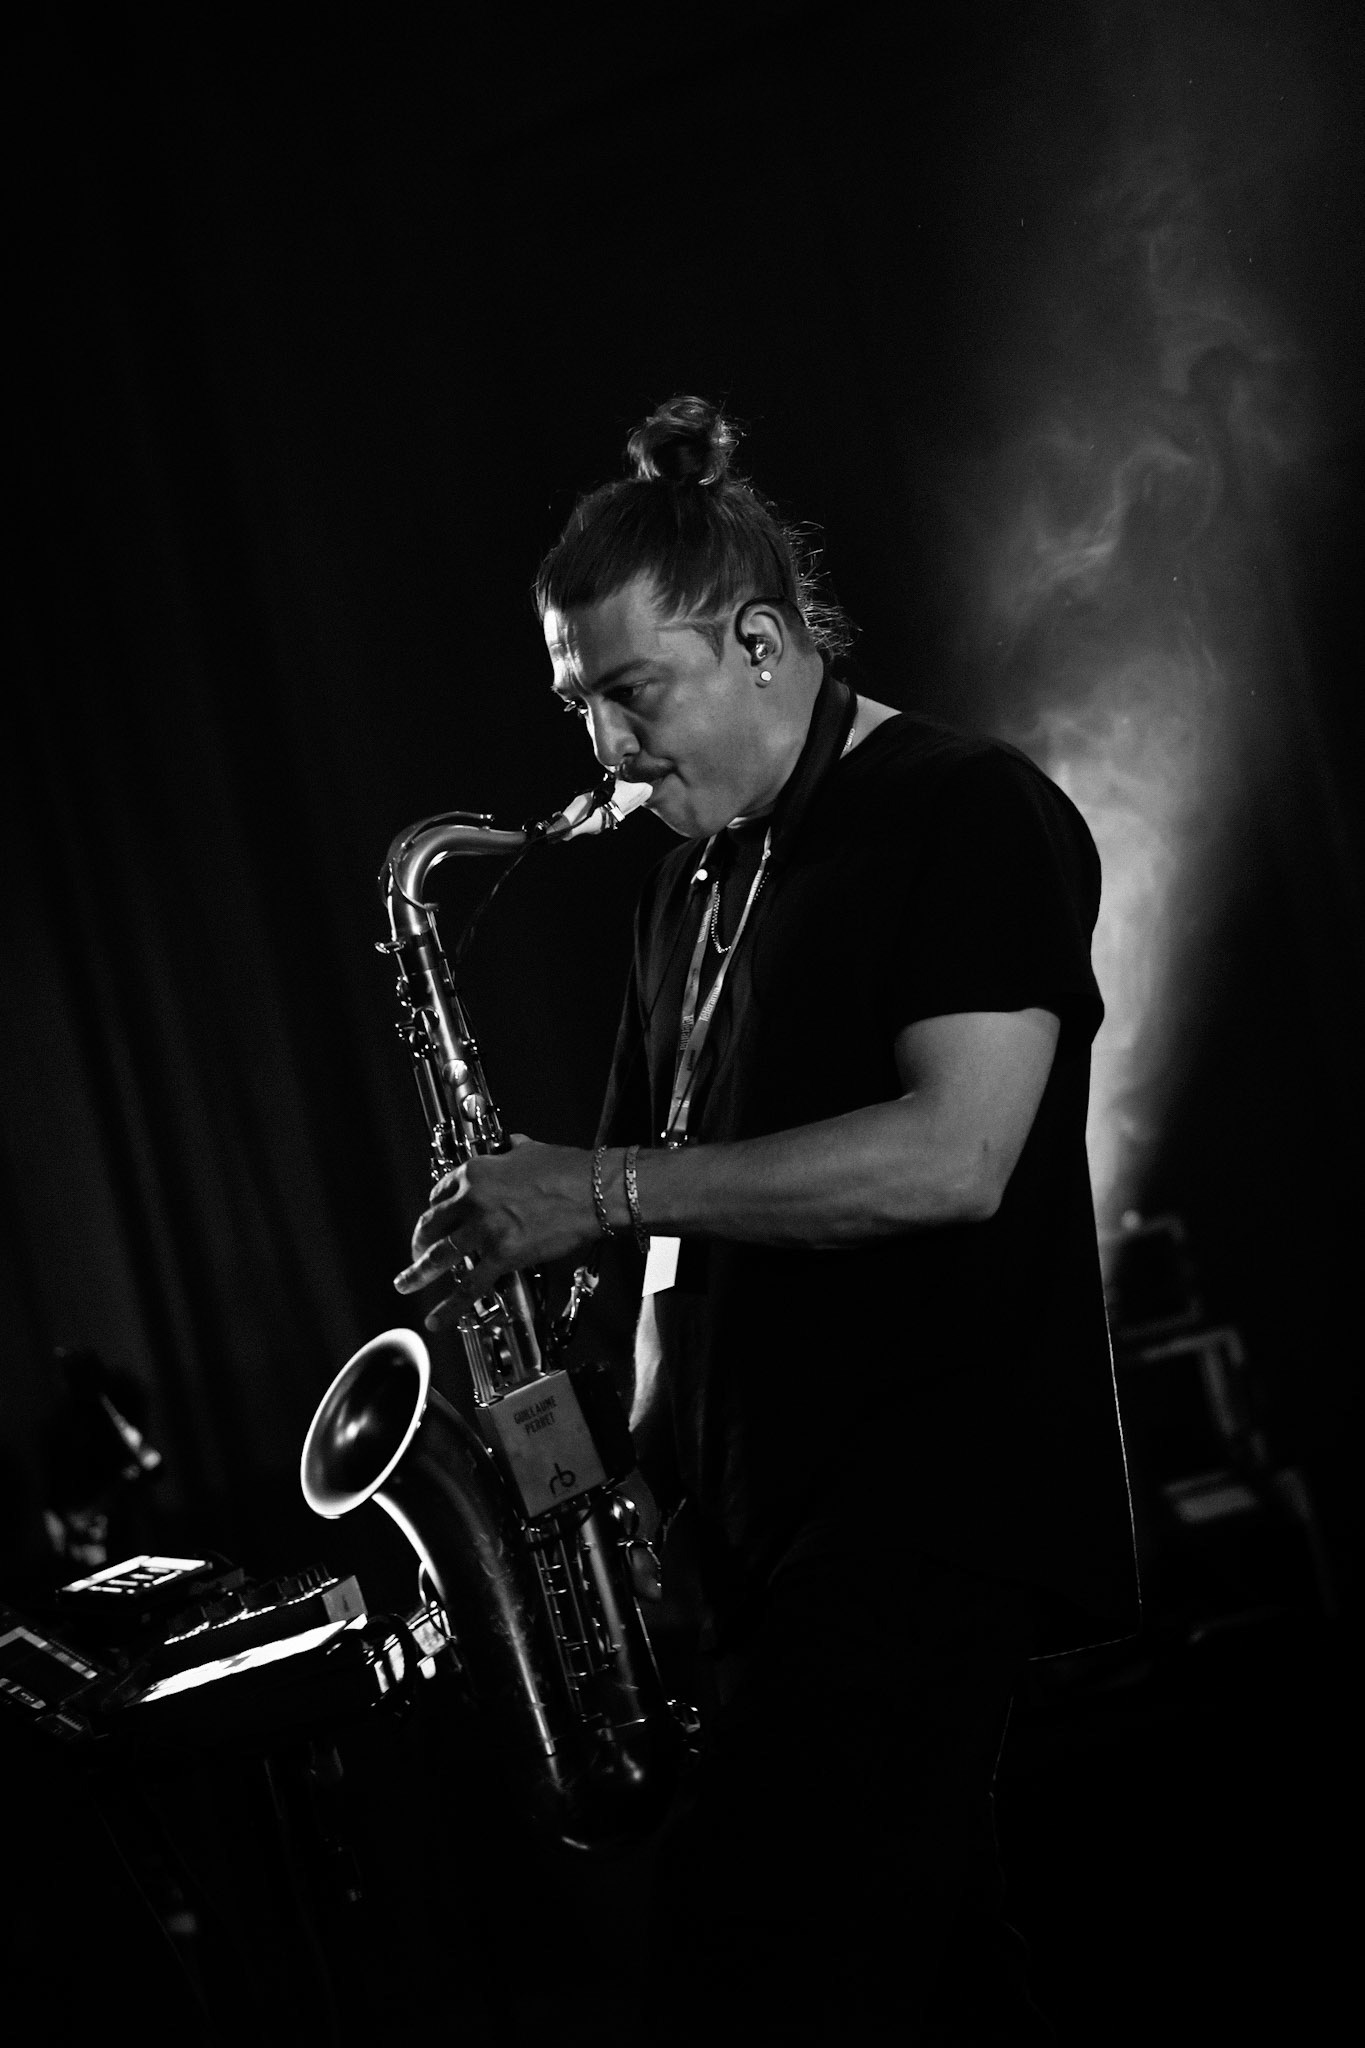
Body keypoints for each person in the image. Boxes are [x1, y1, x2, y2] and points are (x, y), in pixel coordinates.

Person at [394, 397, 1140, 2044]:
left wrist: (587, 1185)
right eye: (578, 702)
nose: (604, 750)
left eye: (630, 693)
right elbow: (656, 1225)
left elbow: (954, 1157)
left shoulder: (960, 809)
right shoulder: (693, 880)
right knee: (940, 1992)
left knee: (751, 1965)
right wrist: (587, 1476)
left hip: (918, 1507)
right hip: (747, 1538)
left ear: (756, 640)